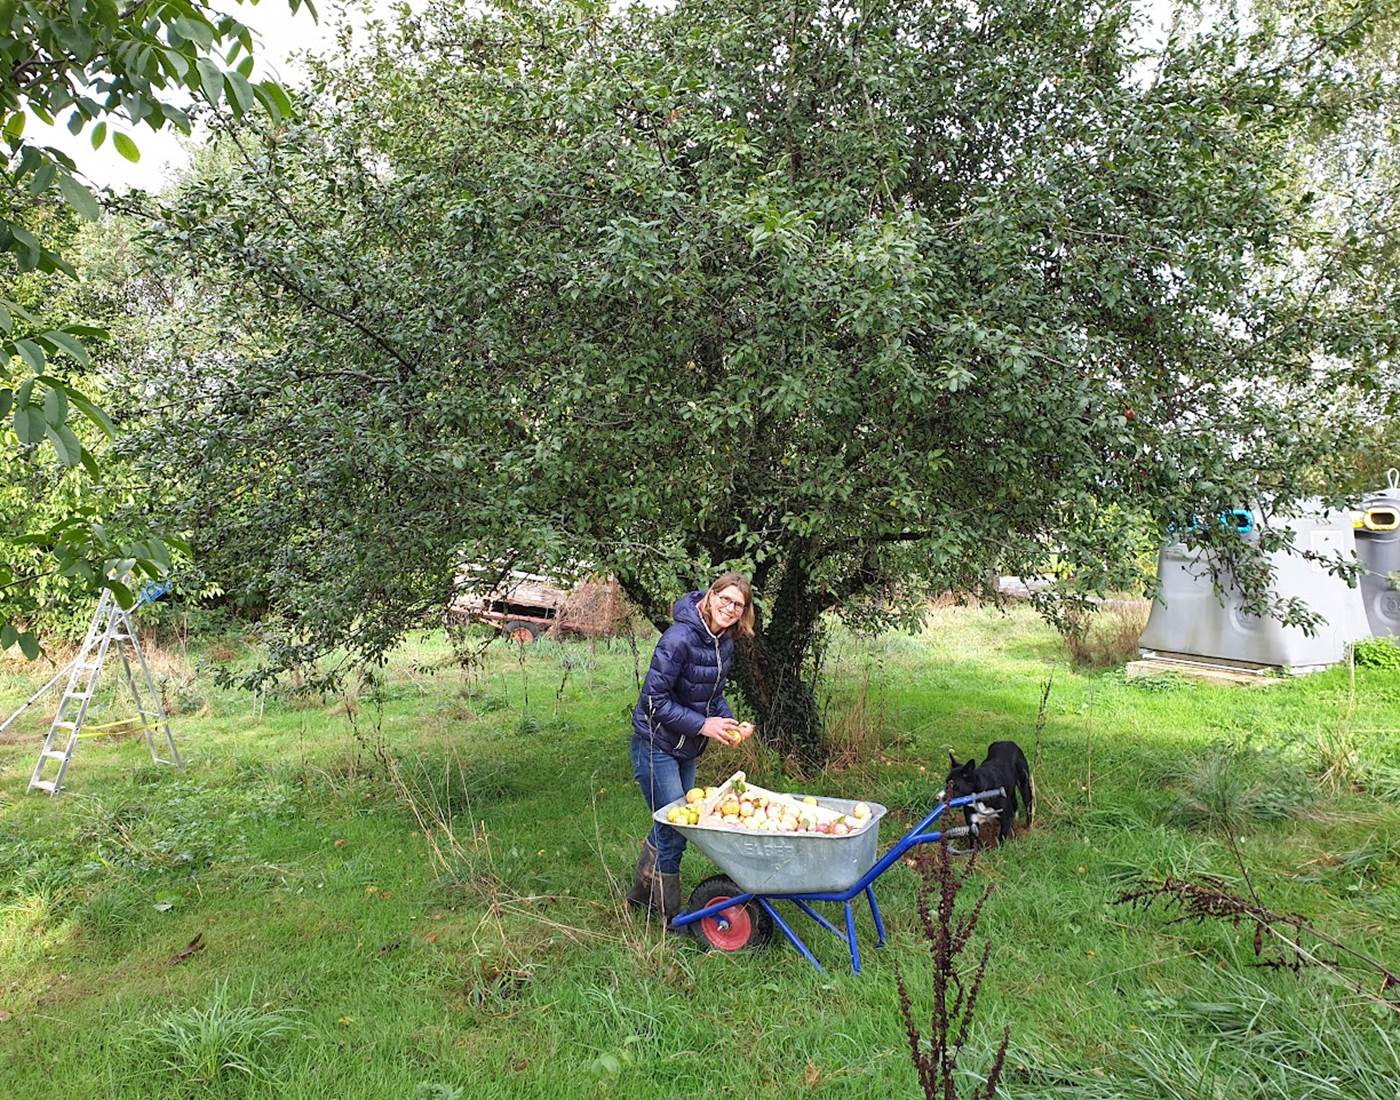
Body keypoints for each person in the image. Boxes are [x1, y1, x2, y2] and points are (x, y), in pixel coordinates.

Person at [626, 572, 756, 920]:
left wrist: (730, 724)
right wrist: (703, 725)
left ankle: (639, 895)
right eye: (724, 599)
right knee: (677, 828)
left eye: (738, 605)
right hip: (656, 743)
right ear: (710, 596)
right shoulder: (679, 638)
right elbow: (653, 700)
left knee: (671, 820)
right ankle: (671, 918)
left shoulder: (722, 641)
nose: (729, 608)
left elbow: (712, 696)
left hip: (686, 746)